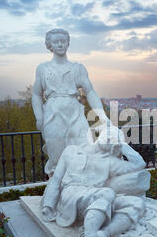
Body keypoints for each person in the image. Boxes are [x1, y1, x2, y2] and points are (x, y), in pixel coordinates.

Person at [41, 127, 148, 237]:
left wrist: (124, 147)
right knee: (107, 194)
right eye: (108, 135)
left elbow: (139, 164)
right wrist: (48, 205)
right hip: (72, 195)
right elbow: (56, 179)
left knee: (137, 203)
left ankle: (104, 234)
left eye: (113, 139)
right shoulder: (71, 151)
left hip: (97, 198)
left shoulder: (111, 162)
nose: (109, 138)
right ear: (100, 134)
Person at [32, 28, 110, 176]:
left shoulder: (78, 68)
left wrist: (102, 115)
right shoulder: (43, 69)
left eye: (63, 41)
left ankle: (81, 189)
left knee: (85, 151)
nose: (60, 44)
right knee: (58, 158)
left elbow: (91, 92)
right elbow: (36, 94)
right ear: (50, 45)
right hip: (53, 115)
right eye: (56, 42)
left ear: (68, 43)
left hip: (75, 113)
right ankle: (59, 192)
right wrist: (39, 117)